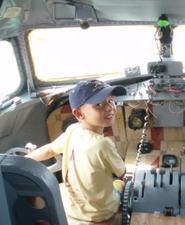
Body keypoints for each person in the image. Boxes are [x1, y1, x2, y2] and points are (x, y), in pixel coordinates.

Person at [26, 80, 127, 225]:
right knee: (118, 184)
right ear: (79, 113)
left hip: (74, 207)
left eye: (111, 101)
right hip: (100, 213)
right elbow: (123, 173)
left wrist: (23, 160)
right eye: (99, 104)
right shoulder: (103, 143)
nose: (110, 108)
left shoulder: (73, 130)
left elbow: (49, 150)